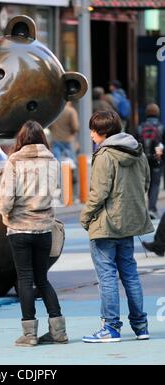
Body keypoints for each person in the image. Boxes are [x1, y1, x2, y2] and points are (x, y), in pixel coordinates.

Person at [80, 110, 154, 343]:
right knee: (130, 274)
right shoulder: (137, 151)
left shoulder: (105, 155)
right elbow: (146, 182)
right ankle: (141, 326)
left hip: (106, 224)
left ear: (103, 132)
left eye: (93, 130)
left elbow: (99, 192)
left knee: (107, 276)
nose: (91, 134)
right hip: (129, 223)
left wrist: (85, 217)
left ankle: (111, 327)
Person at [0, 120, 67, 347]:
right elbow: (58, 192)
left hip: (19, 228)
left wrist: (5, 214)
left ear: (21, 139)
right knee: (42, 279)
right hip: (44, 227)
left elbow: (6, 199)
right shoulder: (52, 161)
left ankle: (29, 334)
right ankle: (58, 331)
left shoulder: (14, 162)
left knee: (25, 279)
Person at [135, 103, 165, 219]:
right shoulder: (161, 127)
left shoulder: (140, 127)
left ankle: (139, 209)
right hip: (157, 159)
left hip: (142, 160)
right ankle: (152, 209)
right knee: (155, 184)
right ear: (157, 113)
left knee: (141, 184)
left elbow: (135, 144)